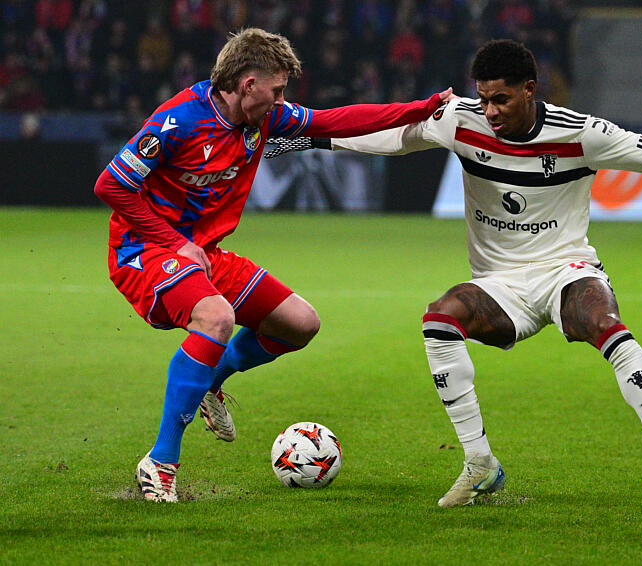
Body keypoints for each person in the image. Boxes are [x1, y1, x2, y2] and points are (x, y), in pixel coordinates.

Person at [266, 39, 642, 508]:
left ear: (530, 90)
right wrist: (312, 140)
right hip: (499, 282)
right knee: (439, 320)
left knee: (603, 320)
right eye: (484, 98)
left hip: (566, 268)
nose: (488, 110)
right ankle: (479, 464)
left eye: (501, 99)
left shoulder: (583, 134)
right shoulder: (462, 120)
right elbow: (393, 137)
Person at [93, 27, 453, 502]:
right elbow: (110, 186)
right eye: (277, 89)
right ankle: (160, 462)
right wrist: (173, 240)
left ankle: (211, 381)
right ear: (247, 84)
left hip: (203, 253)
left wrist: (419, 109)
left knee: (300, 324)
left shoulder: (266, 119)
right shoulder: (178, 121)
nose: (283, 99)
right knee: (217, 317)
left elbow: (335, 121)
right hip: (144, 251)